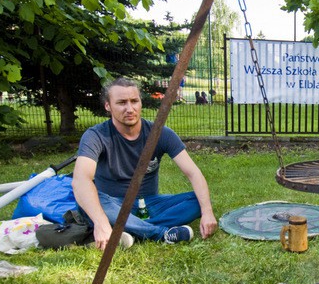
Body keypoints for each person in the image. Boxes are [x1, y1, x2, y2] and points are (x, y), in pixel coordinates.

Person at [73, 77, 218, 250]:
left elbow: (193, 173)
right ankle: (160, 234)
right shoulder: (95, 136)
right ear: (108, 106)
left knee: (198, 201)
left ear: (140, 102)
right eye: (121, 103)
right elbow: (81, 180)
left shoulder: (161, 133)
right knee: (90, 203)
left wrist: (207, 212)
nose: (130, 108)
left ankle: (131, 229)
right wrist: (101, 221)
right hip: (112, 204)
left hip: (150, 204)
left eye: (134, 101)